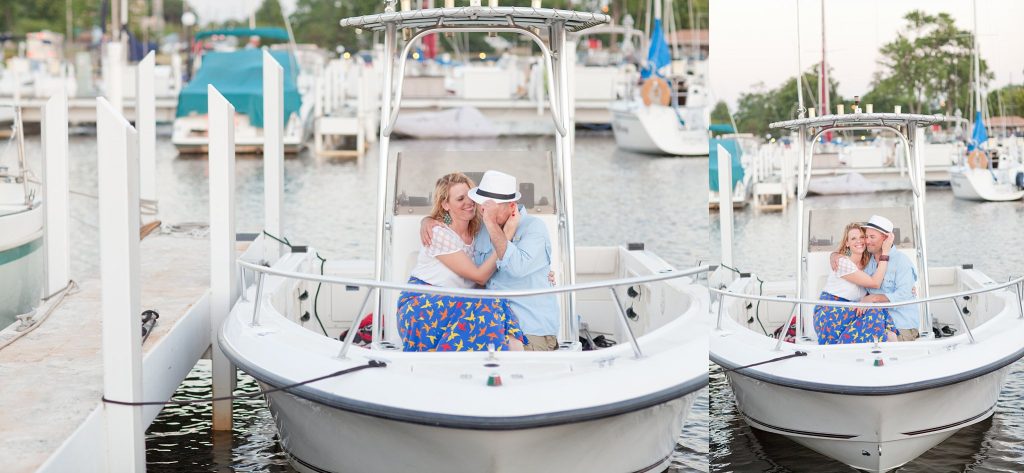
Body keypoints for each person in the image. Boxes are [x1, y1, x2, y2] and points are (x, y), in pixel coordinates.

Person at [422, 170, 561, 351]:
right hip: (491, 324)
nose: (481, 210)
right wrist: (427, 220)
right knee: (449, 352)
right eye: (481, 204)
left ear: (511, 206)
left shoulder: (534, 228)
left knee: (492, 357)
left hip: (528, 329)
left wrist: (494, 226)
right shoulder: (482, 229)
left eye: (488, 206)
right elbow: (452, 223)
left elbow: (516, 268)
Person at [397, 172, 527, 352]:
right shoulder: (439, 233)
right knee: (488, 305)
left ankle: (513, 356)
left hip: (455, 304)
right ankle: (504, 357)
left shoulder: (477, 231)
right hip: (423, 305)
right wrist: (506, 237)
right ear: (445, 204)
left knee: (496, 304)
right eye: (460, 199)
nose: (469, 203)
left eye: (470, 197)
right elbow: (480, 277)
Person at [814, 221, 897, 344]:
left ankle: (889, 342)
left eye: (862, 237)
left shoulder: (866, 261)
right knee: (874, 311)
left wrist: (905, 284)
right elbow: (875, 283)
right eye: (853, 238)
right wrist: (885, 252)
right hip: (831, 312)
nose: (859, 241)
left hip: (850, 311)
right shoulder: (843, 262)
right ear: (847, 243)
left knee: (877, 310)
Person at [859, 215, 920, 341]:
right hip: (875, 321)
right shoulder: (866, 258)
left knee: (875, 341)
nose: (867, 241)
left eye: (872, 237)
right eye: (866, 236)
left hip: (900, 325)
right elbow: (847, 251)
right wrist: (835, 256)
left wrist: (874, 298)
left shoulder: (901, 261)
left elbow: (903, 294)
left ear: (886, 238)